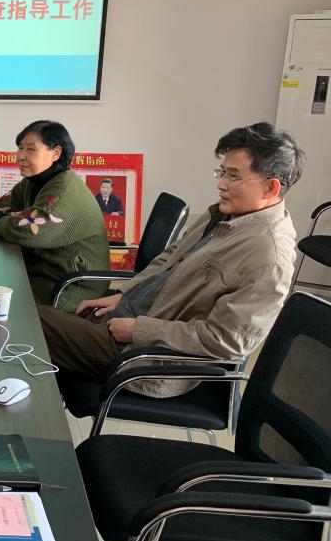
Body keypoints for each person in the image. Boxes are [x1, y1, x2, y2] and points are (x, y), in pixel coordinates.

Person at [38, 122, 303, 398]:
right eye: (223, 172)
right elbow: (168, 261)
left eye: (234, 176)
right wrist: (124, 294)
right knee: (28, 318)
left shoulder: (269, 256)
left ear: (270, 188)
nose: (221, 184)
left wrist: (139, 330)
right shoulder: (224, 215)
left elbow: (227, 341)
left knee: (26, 323)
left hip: (142, 356)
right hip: (127, 318)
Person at [0, 120, 110, 311]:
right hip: (44, 270)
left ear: (56, 153)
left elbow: (26, 231)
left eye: (30, 149)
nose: (20, 156)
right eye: (20, 148)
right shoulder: (34, 181)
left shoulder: (63, 190)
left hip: (72, 286)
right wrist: (14, 217)